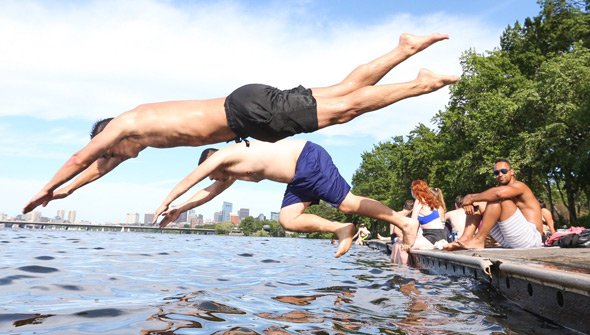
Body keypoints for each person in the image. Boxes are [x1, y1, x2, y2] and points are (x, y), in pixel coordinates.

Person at [23, 33, 459, 214]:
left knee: (346, 109)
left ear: (107, 135)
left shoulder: (124, 124)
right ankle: (404, 49)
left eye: (112, 151)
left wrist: (44, 186)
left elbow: (85, 157)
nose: (117, 158)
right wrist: (61, 193)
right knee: (343, 92)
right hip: (246, 110)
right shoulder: (135, 136)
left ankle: (419, 84)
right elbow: (96, 169)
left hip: (245, 114)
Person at [152, 139, 419, 258]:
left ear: (213, 162)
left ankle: (403, 222)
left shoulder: (225, 155)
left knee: (348, 203)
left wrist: (166, 200)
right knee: (287, 219)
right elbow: (208, 193)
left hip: (307, 159)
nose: (214, 179)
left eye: (213, 173)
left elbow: (193, 178)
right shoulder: (230, 173)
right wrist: (180, 208)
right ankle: (341, 229)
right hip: (296, 179)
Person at [446, 159, 543, 250]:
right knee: (479, 204)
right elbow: (492, 195)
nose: (500, 174)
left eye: (504, 171)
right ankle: (464, 239)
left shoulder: (520, 186)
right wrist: (471, 201)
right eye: (496, 173)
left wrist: (470, 197)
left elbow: (498, 194)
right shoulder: (503, 190)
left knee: (499, 199)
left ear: (512, 172)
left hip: (531, 240)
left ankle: (478, 240)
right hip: (508, 240)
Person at [410, 180, 447, 245]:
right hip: (441, 235)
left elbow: (412, 222)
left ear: (414, 191)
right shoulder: (429, 200)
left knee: (401, 245)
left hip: (432, 236)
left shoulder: (419, 201)